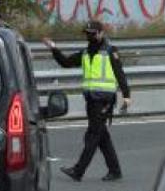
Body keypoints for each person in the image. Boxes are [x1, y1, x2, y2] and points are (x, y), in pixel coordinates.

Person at [42, 20, 130, 182]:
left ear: (101, 33)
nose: (89, 36)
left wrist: (126, 95)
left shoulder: (110, 51)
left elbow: (120, 73)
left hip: (104, 100)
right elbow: (65, 63)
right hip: (91, 100)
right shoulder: (85, 53)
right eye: (87, 34)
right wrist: (53, 48)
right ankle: (115, 170)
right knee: (102, 136)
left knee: (93, 135)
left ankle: (78, 170)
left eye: (92, 33)